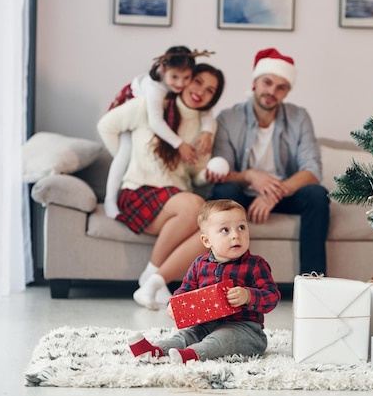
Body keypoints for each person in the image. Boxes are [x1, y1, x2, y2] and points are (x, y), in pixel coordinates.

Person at [97, 63, 226, 310]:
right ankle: (149, 276)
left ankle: (155, 281)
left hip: (174, 199)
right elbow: (106, 126)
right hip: (138, 192)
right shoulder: (151, 106)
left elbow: (194, 173)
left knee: (214, 231)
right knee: (194, 206)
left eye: (210, 90)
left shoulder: (205, 127)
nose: (201, 91)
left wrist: (207, 176)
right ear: (185, 79)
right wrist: (126, 159)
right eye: (198, 82)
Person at [207, 47, 329, 275]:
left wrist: (275, 192)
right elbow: (223, 172)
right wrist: (251, 175)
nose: (272, 91)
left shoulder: (299, 117)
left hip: (283, 194)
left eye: (281, 87)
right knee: (225, 191)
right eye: (267, 82)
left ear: (287, 92)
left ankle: (313, 283)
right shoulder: (228, 118)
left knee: (317, 194)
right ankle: (224, 276)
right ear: (255, 83)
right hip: (242, 195)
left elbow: (312, 170)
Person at [128, 199, 281, 364]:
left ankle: (191, 355)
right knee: (185, 335)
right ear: (207, 241)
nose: (236, 235)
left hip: (246, 330)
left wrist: (248, 296)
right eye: (225, 230)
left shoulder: (255, 264)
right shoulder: (199, 264)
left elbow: (272, 296)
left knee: (221, 339)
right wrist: (174, 304)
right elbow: (185, 289)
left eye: (241, 227)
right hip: (205, 325)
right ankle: (155, 350)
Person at [102, 46, 216, 218]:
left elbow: (208, 112)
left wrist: (207, 132)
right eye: (174, 77)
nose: (180, 83)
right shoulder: (155, 89)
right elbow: (155, 122)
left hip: (175, 189)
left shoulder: (181, 97)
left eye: (186, 78)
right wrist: (180, 144)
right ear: (163, 70)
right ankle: (110, 200)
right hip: (128, 116)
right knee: (124, 154)